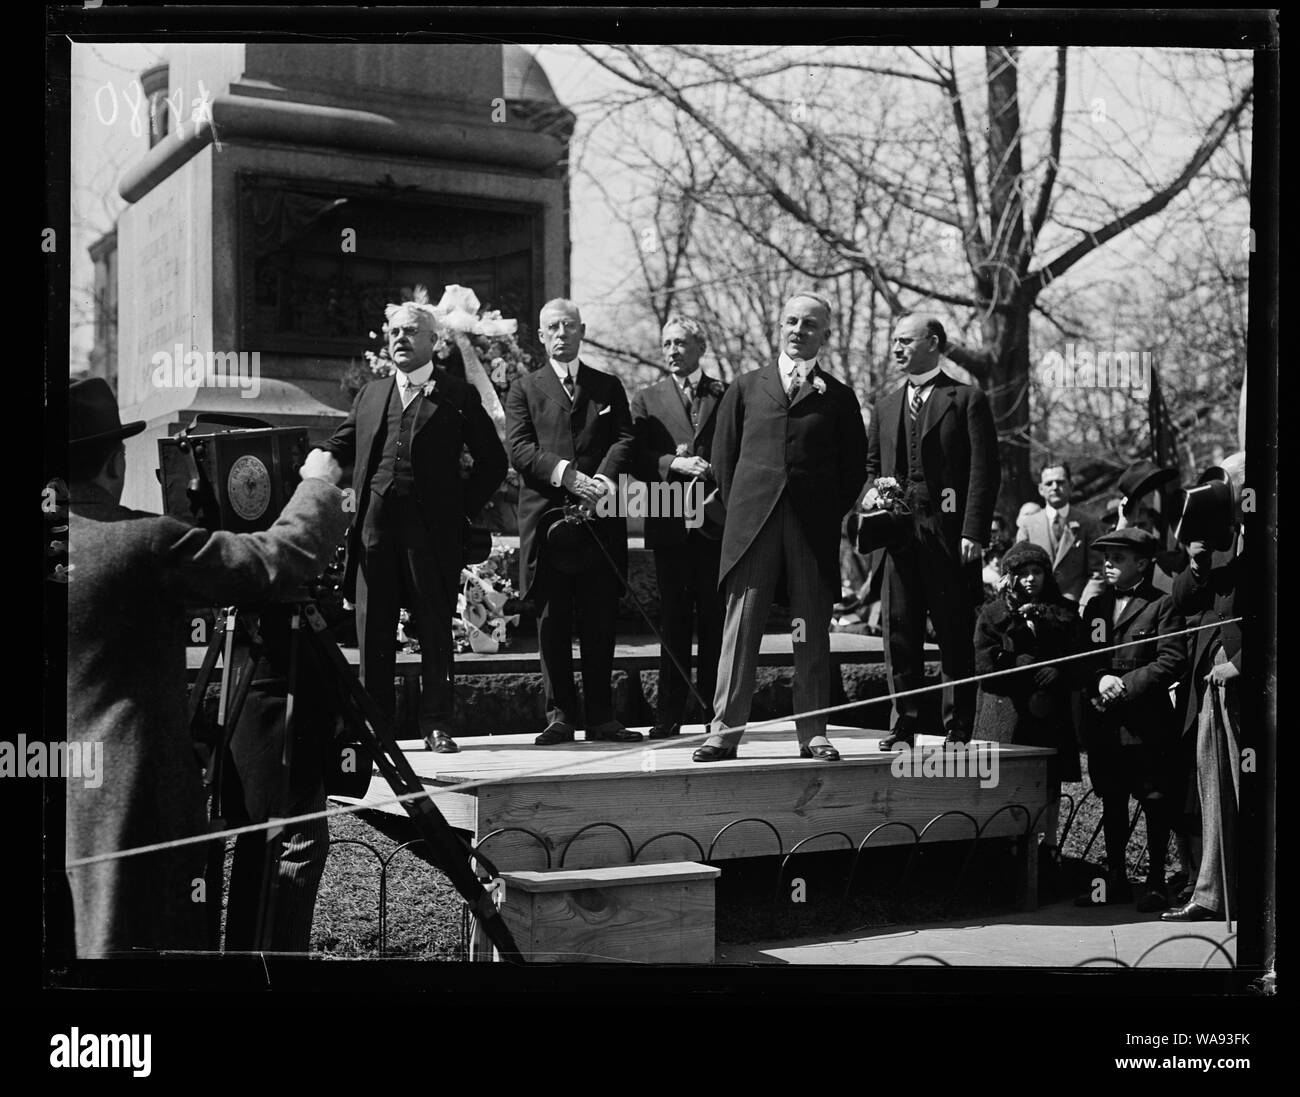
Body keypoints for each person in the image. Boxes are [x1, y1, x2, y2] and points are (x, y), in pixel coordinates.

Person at [66, 377, 350, 958]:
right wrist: (318, 488)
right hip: (128, 812)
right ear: (115, 463)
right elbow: (273, 562)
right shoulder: (139, 544)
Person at [312, 300, 508, 754]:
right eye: (395, 331)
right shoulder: (371, 394)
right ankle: (375, 728)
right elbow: (340, 444)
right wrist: (313, 461)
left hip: (431, 533)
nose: (400, 338)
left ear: (434, 342)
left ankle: (436, 723)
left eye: (411, 332)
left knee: (434, 627)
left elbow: (493, 462)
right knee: (373, 627)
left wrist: (458, 510)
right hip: (374, 528)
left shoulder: (457, 394)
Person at [694, 292, 867, 762]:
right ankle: (724, 731)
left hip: (811, 528)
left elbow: (854, 468)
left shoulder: (839, 397)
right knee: (742, 628)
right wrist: (741, 508)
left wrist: (827, 510)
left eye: (810, 324)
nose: (798, 330)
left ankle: (813, 732)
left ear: (824, 335)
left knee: (809, 629)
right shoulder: (746, 388)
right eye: (791, 321)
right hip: (752, 525)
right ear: (779, 326)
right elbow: (722, 458)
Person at [505, 299, 642, 745]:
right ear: (541, 336)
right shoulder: (524, 388)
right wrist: (568, 476)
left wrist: (600, 480)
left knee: (600, 618)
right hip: (549, 525)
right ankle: (560, 716)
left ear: (581, 330)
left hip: (600, 520)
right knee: (553, 620)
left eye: (568, 326)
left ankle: (602, 717)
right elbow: (520, 448)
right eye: (551, 328)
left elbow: (625, 437)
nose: (561, 334)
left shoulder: (608, 386)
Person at [865, 313, 1000, 748]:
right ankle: (903, 722)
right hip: (898, 540)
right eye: (894, 341)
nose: (897, 348)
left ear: (934, 342)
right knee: (899, 635)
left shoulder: (965, 398)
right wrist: (870, 496)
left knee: (954, 634)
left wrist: (973, 532)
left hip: (949, 537)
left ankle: (957, 726)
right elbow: (871, 469)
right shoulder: (885, 407)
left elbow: (984, 471)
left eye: (906, 340)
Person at [1076, 527, 1187, 913]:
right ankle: (1116, 881)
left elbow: (1171, 660)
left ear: (1142, 563)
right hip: (1107, 727)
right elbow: (1087, 658)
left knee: (1155, 804)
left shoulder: (1162, 605)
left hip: (1147, 727)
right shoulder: (1096, 608)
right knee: (1113, 805)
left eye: (1117, 558)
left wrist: (1124, 684)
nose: (1108, 563)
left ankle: (1156, 883)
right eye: (1105, 556)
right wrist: (1099, 678)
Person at [630, 316, 727, 738]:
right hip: (669, 520)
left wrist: (714, 475)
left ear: (699, 347)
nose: (672, 350)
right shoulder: (647, 398)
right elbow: (634, 456)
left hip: (714, 521)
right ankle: (667, 714)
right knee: (673, 621)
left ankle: (713, 711)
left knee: (713, 620)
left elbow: (739, 447)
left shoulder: (725, 394)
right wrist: (673, 463)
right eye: (666, 343)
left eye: (681, 343)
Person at [1162, 454, 1247, 923]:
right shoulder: (1220, 541)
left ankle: (1255, 895)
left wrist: (1240, 665)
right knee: (1214, 789)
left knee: (1251, 790)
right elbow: (1184, 599)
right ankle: (1213, 895)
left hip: (1247, 683)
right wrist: (1198, 561)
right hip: (1209, 689)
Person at [972, 541, 1083, 856]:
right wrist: (1016, 662)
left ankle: (1048, 846)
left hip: (1049, 714)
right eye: (1023, 574)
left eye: (1037, 572)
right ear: (1010, 577)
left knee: (1049, 783)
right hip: (1007, 714)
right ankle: (1006, 843)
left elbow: (1080, 657)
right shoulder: (992, 614)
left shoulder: (1065, 612)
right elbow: (983, 662)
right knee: (1009, 781)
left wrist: (1058, 670)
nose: (1031, 579)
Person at [1017, 461, 1105, 606]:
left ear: (1071, 486)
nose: (1055, 487)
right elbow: (1019, 570)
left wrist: (1085, 606)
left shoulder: (1089, 523)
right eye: (1049, 483)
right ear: (1040, 489)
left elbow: (1097, 573)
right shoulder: (1028, 526)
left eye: (1060, 482)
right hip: (1038, 609)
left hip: (1077, 609)